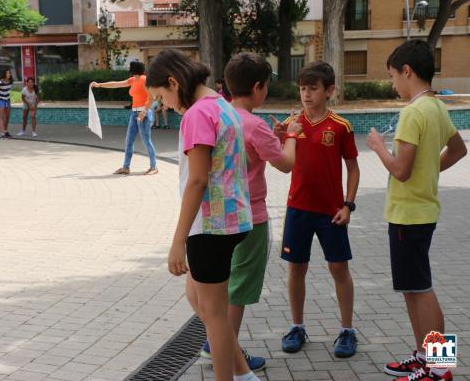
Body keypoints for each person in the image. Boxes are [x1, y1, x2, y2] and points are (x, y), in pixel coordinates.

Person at [146, 48, 258, 381]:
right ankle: (244, 374)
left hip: (210, 226)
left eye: (161, 96)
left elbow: (197, 179)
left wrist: (177, 241)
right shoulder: (223, 106)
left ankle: (232, 377)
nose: (163, 105)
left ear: (173, 81)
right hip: (232, 219)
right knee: (198, 297)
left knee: (214, 314)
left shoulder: (197, 114)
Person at [366, 40, 467, 381]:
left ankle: (440, 368)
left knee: (421, 289)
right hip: (420, 212)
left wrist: (379, 147)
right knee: (412, 287)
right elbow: (458, 149)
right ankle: (425, 357)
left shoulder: (412, 112)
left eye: (393, 76)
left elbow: (400, 170)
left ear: (407, 71)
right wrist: (430, 169)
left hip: (408, 214)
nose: (393, 83)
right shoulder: (437, 107)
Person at [199, 52, 302, 371]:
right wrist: (293, 135)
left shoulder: (219, 115)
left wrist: (278, 137)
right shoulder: (254, 125)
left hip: (216, 216)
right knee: (238, 292)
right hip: (249, 218)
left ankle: (214, 344)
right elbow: (286, 164)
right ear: (258, 87)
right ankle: (228, 355)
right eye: (267, 85)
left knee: (223, 286)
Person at [280, 61, 360, 359]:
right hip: (297, 208)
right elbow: (283, 163)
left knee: (339, 268)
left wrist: (348, 205)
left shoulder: (340, 127)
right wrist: (281, 136)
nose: (306, 94)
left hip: (331, 212)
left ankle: (347, 330)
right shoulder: (293, 124)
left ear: (329, 91)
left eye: (313, 89)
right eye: (302, 88)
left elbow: (353, 168)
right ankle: (297, 326)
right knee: (296, 268)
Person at [90, 61, 158, 175]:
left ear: (133, 69)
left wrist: (144, 111)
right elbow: (116, 84)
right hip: (134, 113)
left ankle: (154, 167)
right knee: (128, 141)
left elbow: (152, 97)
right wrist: (99, 85)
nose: (128, 68)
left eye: (130, 66)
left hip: (143, 114)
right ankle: (126, 168)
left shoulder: (143, 79)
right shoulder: (133, 80)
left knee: (146, 141)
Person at [0, 69, 13, 139]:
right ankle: (2, 133)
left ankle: (5, 131)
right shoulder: (0, 82)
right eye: (7, 73)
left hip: (7, 101)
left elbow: (8, 91)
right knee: (2, 117)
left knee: (7, 117)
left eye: (9, 73)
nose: (9, 74)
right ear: (4, 74)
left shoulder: (10, 81)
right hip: (1, 100)